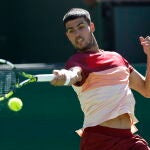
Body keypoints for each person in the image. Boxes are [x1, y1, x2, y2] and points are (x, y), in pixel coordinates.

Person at [50, 8, 150, 150]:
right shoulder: (77, 61)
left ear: (91, 27)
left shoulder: (117, 58)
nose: (77, 34)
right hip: (99, 142)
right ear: (68, 36)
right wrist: (65, 77)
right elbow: (74, 74)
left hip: (128, 138)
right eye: (71, 31)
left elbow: (147, 90)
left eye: (81, 27)